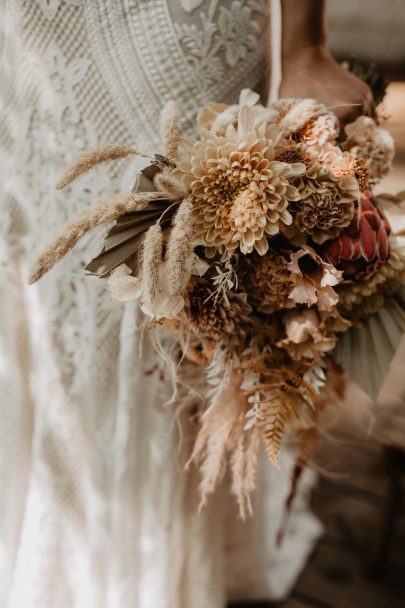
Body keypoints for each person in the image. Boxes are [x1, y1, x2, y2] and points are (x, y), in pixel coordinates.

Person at [0, 1, 373, 606]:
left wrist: (304, 48)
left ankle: (143, 570)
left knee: (169, 274)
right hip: (32, 25)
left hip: (173, 27)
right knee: (44, 255)